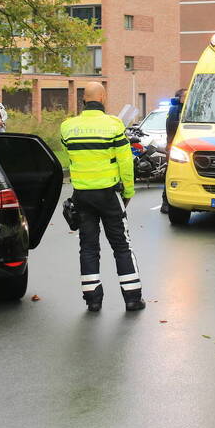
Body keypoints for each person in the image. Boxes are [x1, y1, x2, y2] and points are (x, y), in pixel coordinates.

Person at [60, 82, 145, 312]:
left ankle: (93, 300)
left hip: (81, 195)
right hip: (108, 194)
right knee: (121, 246)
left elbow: (71, 155)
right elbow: (125, 162)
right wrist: (128, 192)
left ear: (83, 99)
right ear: (103, 97)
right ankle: (132, 298)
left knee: (88, 247)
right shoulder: (114, 125)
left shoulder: (67, 127)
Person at [160, 88, 186, 213]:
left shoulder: (189, 109)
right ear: (179, 99)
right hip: (175, 147)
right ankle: (166, 202)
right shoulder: (175, 110)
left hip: (183, 148)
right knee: (171, 173)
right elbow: (171, 127)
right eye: (186, 96)